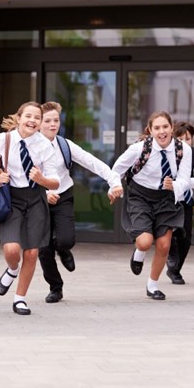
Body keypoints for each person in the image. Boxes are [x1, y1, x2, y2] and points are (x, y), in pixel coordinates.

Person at [38, 101, 123, 303]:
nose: (52, 124)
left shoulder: (65, 145)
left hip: (63, 195)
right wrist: (44, 193)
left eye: (56, 120)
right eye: (47, 121)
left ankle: (63, 248)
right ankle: (55, 287)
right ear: (39, 123)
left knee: (66, 239)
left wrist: (114, 181)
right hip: (38, 199)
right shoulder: (29, 146)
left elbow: (91, 161)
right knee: (43, 248)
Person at [0, 101, 60, 315]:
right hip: (12, 198)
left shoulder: (45, 145)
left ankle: (20, 299)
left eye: (37, 117)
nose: (32, 120)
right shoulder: (4, 139)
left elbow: (55, 182)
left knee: (31, 252)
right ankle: (12, 269)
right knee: (11, 250)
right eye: (28, 116)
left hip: (36, 199)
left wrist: (42, 179)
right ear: (19, 118)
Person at [111, 111, 192, 300]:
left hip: (166, 198)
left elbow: (185, 179)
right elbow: (117, 169)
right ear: (150, 130)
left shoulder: (183, 150)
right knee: (145, 241)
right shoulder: (139, 149)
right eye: (157, 128)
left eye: (165, 127)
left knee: (164, 244)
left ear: (172, 128)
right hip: (140, 196)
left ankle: (152, 285)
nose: (162, 131)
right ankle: (139, 252)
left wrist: (176, 185)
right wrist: (114, 187)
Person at [165, 121, 194, 284]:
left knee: (186, 239)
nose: (184, 143)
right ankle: (171, 261)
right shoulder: (166, 154)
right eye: (180, 139)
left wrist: (180, 182)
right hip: (167, 199)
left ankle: (175, 270)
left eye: (187, 139)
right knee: (169, 234)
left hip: (185, 201)